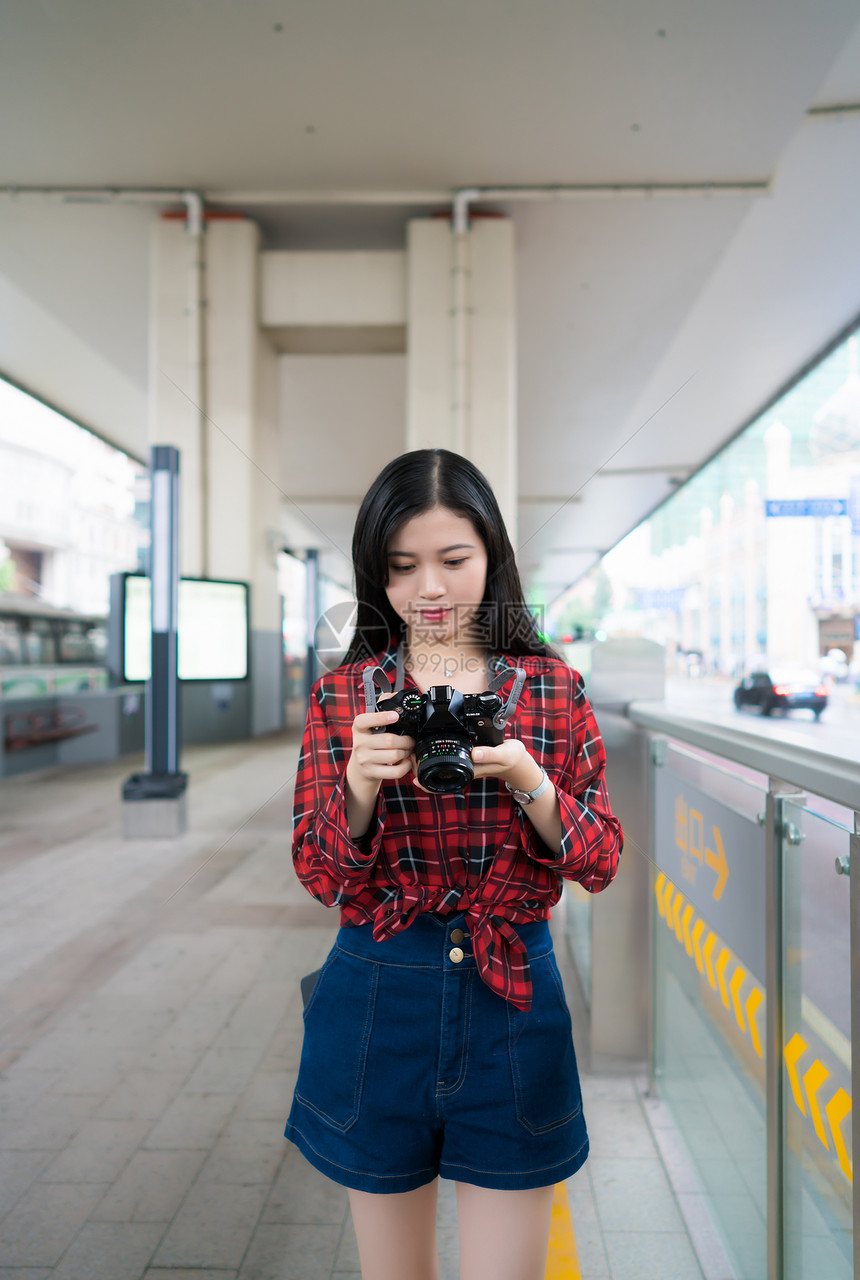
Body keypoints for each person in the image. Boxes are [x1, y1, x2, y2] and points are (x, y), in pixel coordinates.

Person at [285, 448, 623, 1280]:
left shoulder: (553, 689)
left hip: (512, 993)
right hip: (378, 989)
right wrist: (359, 790)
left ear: (493, 558)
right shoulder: (346, 695)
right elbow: (321, 876)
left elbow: (603, 860)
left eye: (452, 560)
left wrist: (529, 779)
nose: (427, 590)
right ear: (376, 575)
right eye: (401, 567)